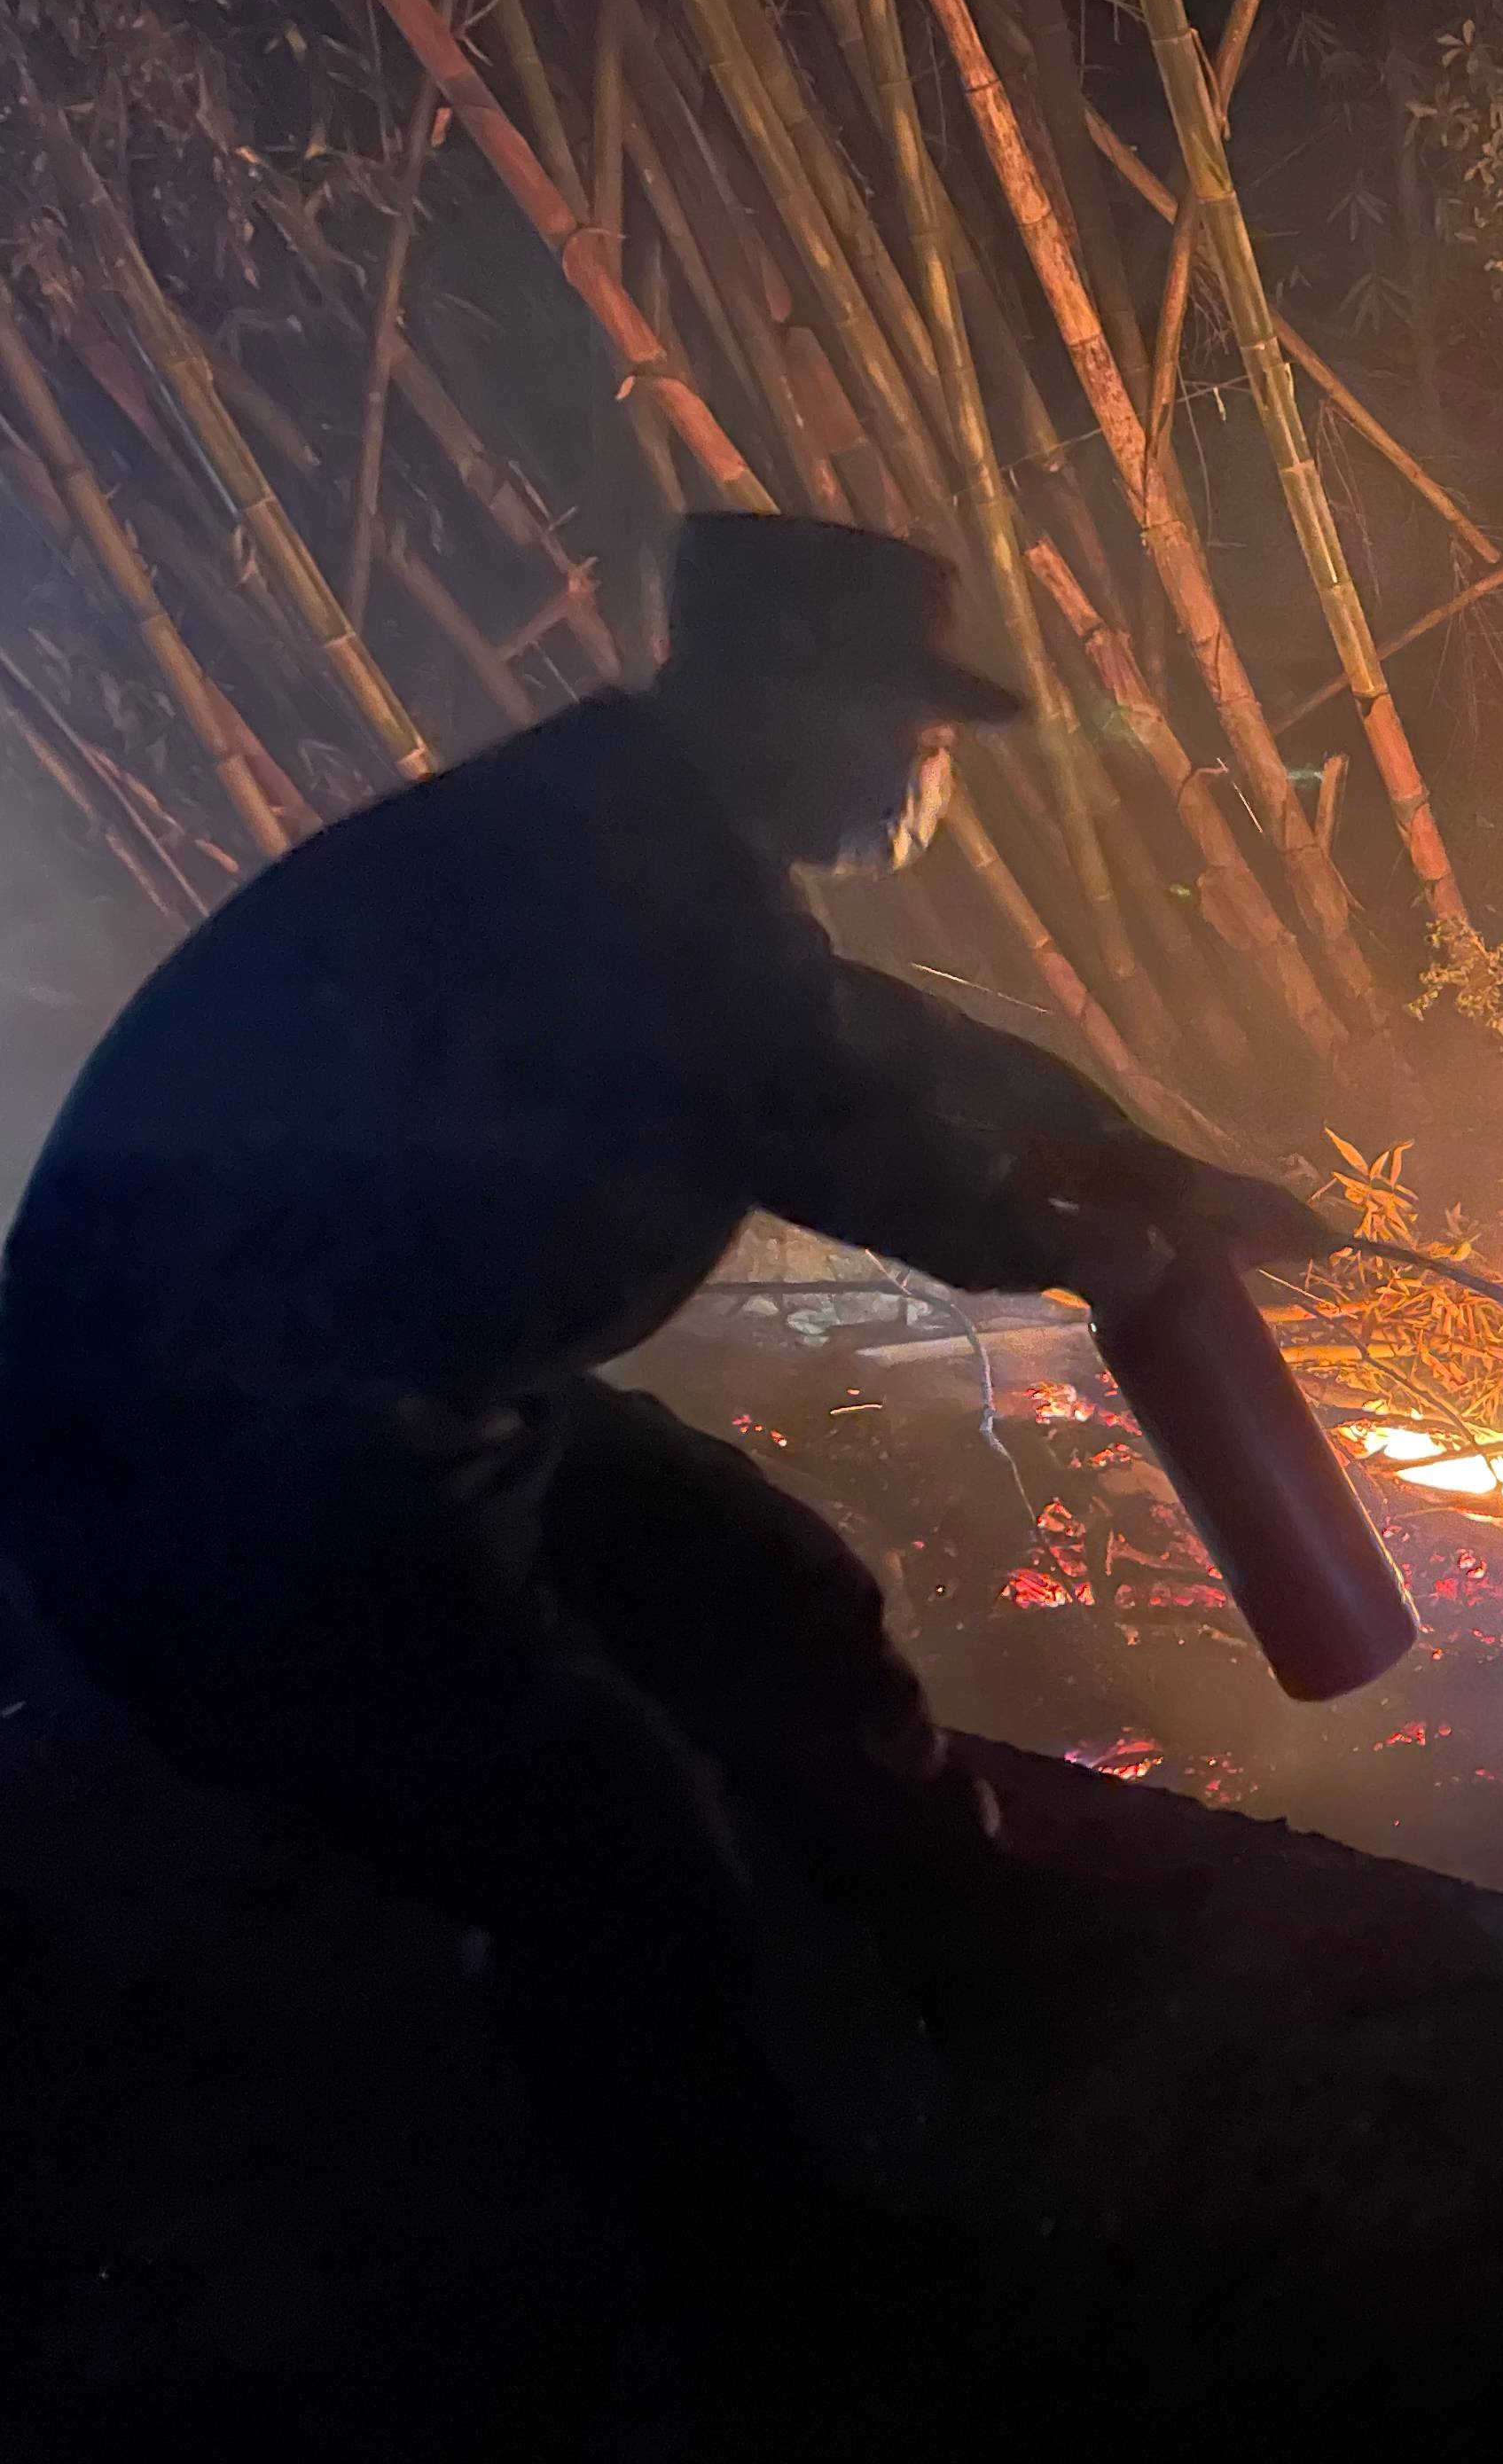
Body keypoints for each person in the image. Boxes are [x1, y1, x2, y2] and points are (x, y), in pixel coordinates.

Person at [0, 512, 1333, 2253]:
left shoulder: (624, 828)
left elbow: (868, 1033)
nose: (928, 766)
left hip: (403, 1374)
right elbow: (856, 1134)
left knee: (766, 1592)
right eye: (909, 725)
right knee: (607, 1849)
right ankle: (738, 2256)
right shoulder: (639, 884)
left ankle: (981, 1950)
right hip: (226, 1452)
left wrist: (1132, 1157)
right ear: (789, 696)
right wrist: (1100, 1244)